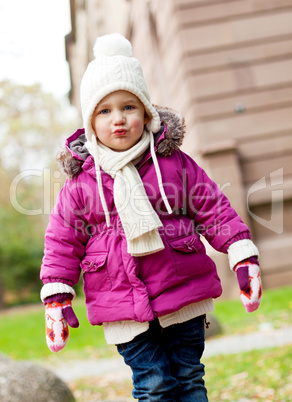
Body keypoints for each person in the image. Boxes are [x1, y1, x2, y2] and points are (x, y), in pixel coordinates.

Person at [40, 33, 262, 401]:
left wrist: (241, 252)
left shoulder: (174, 164)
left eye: (129, 107)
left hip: (183, 293)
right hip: (122, 303)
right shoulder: (81, 183)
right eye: (104, 110)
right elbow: (62, 242)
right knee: (154, 385)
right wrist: (57, 296)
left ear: (147, 111)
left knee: (189, 377)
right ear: (89, 122)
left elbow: (212, 207)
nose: (119, 120)